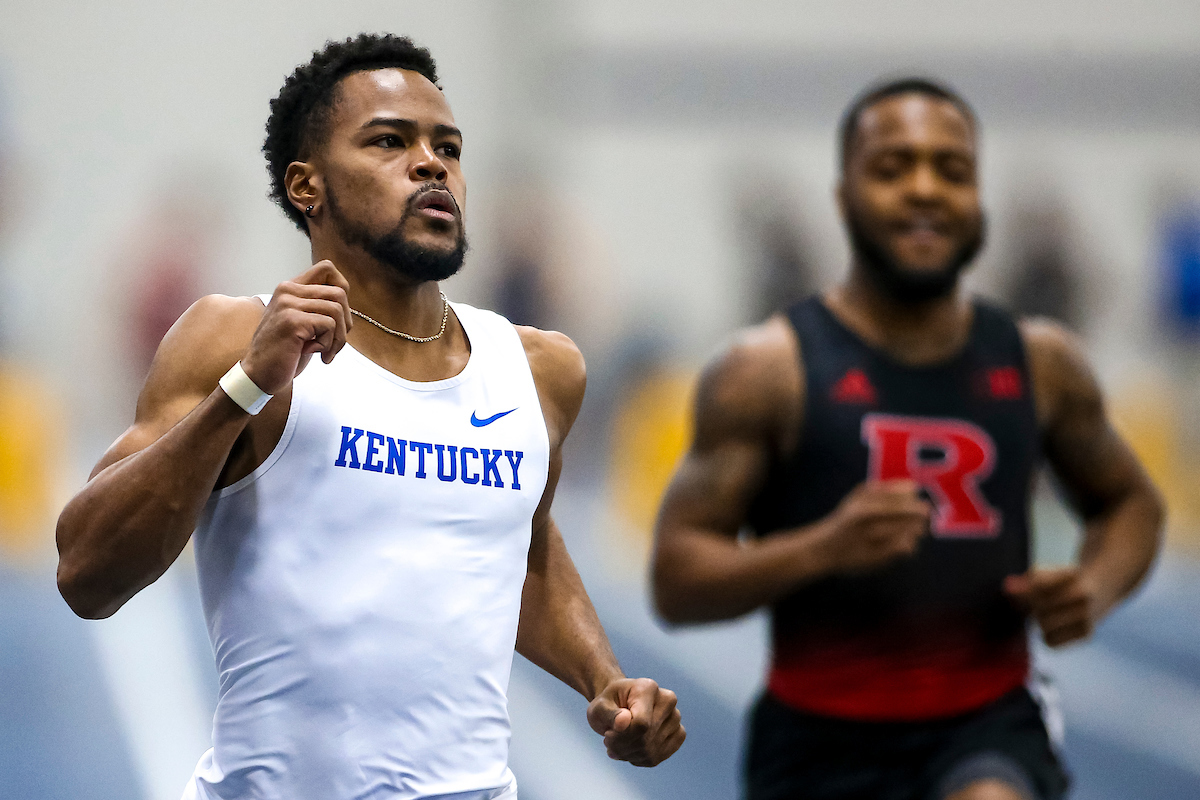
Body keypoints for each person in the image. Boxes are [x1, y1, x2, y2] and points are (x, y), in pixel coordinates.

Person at [56, 33, 684, 800]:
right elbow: (86, 573)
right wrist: (246, 387)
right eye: (390, 141)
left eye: (447, 147)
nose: (432, 164)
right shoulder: (231, 338)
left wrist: (608, 682)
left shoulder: (540, 369)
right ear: (306, 186)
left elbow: (520, 548)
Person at [651, 78, 1163, 800]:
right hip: (816, 738)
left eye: (951, 171)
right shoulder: (766, 371)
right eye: (893, 168)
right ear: (843, 196)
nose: (925, 190)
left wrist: (1095, 585)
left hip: (988, 721)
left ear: (978, 199)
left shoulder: (1041, 363)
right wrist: (821, 548)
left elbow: (1130, 502)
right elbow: (677, 579)